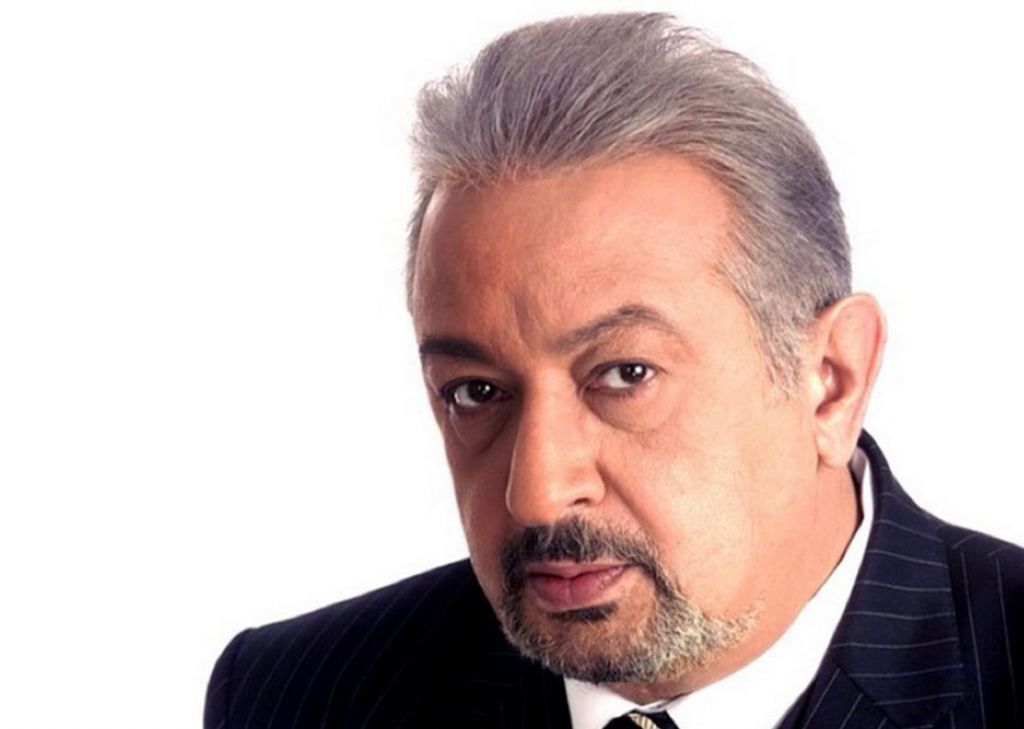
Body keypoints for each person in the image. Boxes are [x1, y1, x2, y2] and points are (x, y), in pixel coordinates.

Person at [204, 13, 1023, 729]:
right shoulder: (296, 695)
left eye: (625, 374)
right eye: (476, 392)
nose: (536, 493)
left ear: (832, 380)